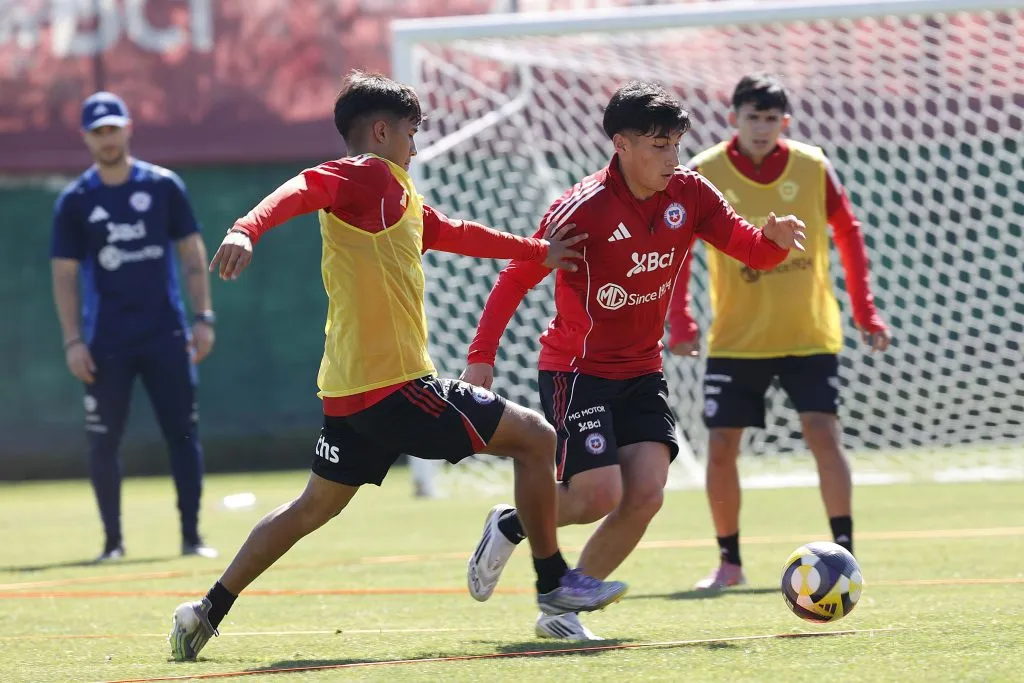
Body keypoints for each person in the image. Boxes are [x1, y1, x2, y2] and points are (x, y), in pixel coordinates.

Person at [167, 71, 628, 662]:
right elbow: (304, 185)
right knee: (537, 439)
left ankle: (206, 612)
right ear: (381, 131)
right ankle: (554, 588)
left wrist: (537, 252)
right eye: (411, 132)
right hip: (396, 387)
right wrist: (245, 228)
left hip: (348, 393)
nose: (416, 144)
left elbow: (456, 233)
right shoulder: (367, 173)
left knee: (313, 507)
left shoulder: (397, 197)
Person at [461, 80, 806, 640]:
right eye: (656, 145)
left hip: (643, 371)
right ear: (620, 145)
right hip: (578, 371)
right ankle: (511, 522)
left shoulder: (691, 195)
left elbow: (748, 247)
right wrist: (481, 358)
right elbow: (517, 275)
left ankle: (561, 612)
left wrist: (774, 240)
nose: (671, 157)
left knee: (645, 494)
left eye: (675, 144)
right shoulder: (582, 210)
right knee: (598, 495)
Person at [667, 73, 891, 591]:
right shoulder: (704, 171)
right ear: (733, 119)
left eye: (771, 118)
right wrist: (680, 319)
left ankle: (846, 555)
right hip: (737, 340)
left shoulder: (813, 166)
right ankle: (729, 562)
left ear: (784, 122)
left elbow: (849, 235)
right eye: (753, 117)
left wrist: (866, 311)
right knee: (721, 445)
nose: (762, 127)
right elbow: (677, 250)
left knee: (823, 434)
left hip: (809, 333)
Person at [50, 91, 218, 562]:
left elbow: (191, 253)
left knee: (183, 434)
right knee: (103, 440)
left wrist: (203, 317)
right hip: (106, 341)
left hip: (167, 334)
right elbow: (64, 274)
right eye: (98, 131)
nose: (107, 138)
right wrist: (72, 341)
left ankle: (192, 537)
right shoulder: (75, 201)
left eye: (113, 128)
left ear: (128, 128)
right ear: (87, 138)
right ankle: (113, 544)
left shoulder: (164, 187)